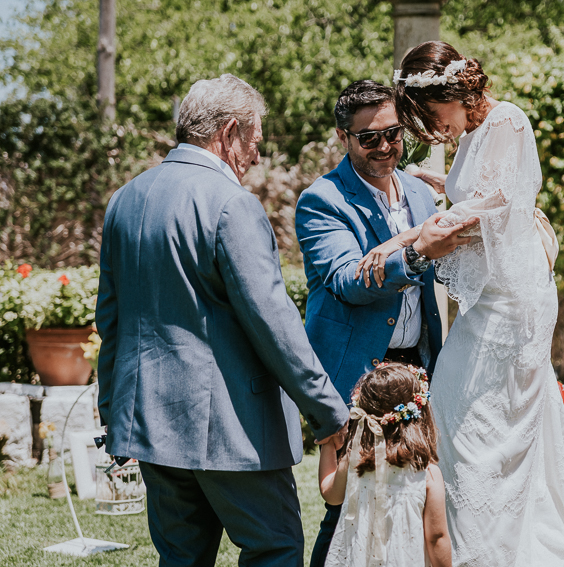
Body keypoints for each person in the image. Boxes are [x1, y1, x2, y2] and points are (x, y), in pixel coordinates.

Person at [360, 41, 564, 566]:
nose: (432, 129)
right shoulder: (470, 135)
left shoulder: (507, 121)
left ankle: (492, 550)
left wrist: (398, 241)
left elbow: (490, 204)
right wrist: (435, 182)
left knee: (476, 419)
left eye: (432, 115)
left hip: (513, 303)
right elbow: (469, 192)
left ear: (455, 92)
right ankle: (479, 542)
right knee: (458, 415)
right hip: (488, 300)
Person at [96, 74, 349, 567]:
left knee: (182, 559)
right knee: (273, 549)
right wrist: (327, 411)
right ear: (229, 132)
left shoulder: (124, 199)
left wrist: (114, 411)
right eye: (255, 142)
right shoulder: (232, 204)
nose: (256, 157)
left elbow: (111, 319)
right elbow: (274, 325)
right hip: (233, 429)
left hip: (150, 424)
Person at [294, 79, 476, 567]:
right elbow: (349, 280)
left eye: (392, 134)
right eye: (368, 138)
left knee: (416, 494)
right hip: (358, 378)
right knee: (350, 503)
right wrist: (417, 254)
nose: (384, 147)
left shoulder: (418, 193)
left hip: (417, 370)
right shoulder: (322, 200)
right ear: (342, 137)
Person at [318, 363, 452, 567]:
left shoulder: (355, 459)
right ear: (419, 415)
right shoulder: (427, 473)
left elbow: (330, 494)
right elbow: (436, 537)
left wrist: (328, 444)